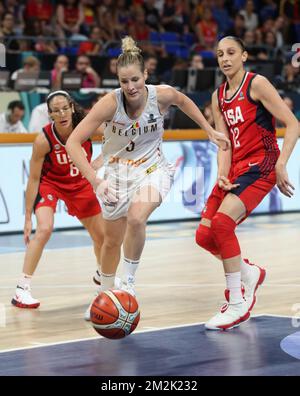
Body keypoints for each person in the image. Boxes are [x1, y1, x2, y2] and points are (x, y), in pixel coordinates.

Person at [66, 36, 229, 301]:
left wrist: (209, 129)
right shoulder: (109, 103)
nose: (130, 87)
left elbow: (184, 101)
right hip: (116, 175)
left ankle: (128, 282)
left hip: (154, 169)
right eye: (124, 81)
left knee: (136, 218)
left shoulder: (161, 95)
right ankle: (105, 294)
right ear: (117, 81)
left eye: (135, 79)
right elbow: (73, 142)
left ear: (145, 74)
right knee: (110, 243)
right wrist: (96, 180)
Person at [195, 36, 300, 331]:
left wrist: (281, 164)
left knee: (222, 225)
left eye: (230, 53)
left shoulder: (257, 84)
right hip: (237, 168)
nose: (225, 58)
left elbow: (293, 123)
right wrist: (221, 173)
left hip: (262, 163)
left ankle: (238, 302)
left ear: (244, 56)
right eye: (219, 54)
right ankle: (249, 273)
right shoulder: (218, 97)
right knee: (204, 237)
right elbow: (224, 142)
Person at [11, 90, 104, 308]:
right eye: (55, 111)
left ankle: (103, 276)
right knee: (44, 229)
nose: (61, 113)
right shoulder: (43, 140)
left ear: (72, 107)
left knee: (101, 236)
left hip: (80, 184)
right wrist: (27, 219)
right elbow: (33, 179)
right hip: (51, 184)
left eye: (64, 108)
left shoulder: (87, 126)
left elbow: (117, 138)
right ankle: (22, 289)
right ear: (49, 114)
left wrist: (100, 161)